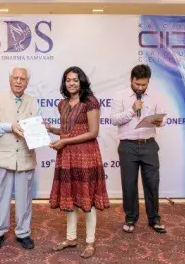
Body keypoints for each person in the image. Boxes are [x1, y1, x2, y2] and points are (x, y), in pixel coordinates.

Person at [47, 66, 110, 259]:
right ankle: (71, 238)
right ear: (64, 83)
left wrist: (65, 141)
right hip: (67, 156)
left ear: (82, 81)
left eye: (75, 79)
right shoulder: (62, 104)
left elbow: (93, 132)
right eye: (68, 80)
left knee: (87, 199)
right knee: (70, 198)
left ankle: (90, 242)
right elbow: (67, 130)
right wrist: (51, 129)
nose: (71, 83)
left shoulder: (90, 102)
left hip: (86, 155)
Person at [0, 65, 40, 251]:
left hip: (25, 156)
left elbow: (36, 129)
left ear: (27, 82)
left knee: (24, 198)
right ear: (9, 80)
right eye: (15, 78)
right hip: (2, 156)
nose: (18, 81)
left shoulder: (33, 102)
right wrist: (9, 126)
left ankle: (23, 233)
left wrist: (40, 130)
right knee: (0, 196)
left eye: (22, 79)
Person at [111, 64, 167, 234]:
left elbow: (162, 118)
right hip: (128, 146)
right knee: (129, 184)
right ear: (132, 80)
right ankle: (130, 217)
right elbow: (114, 119)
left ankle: (154, 218)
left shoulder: (156, 96)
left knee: (152, 183)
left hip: (149, 144)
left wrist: (159, 121)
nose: (140, 88)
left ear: (148, 81)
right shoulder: (119, 96)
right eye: (137, 84)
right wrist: (132, 110)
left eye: (144, 84)